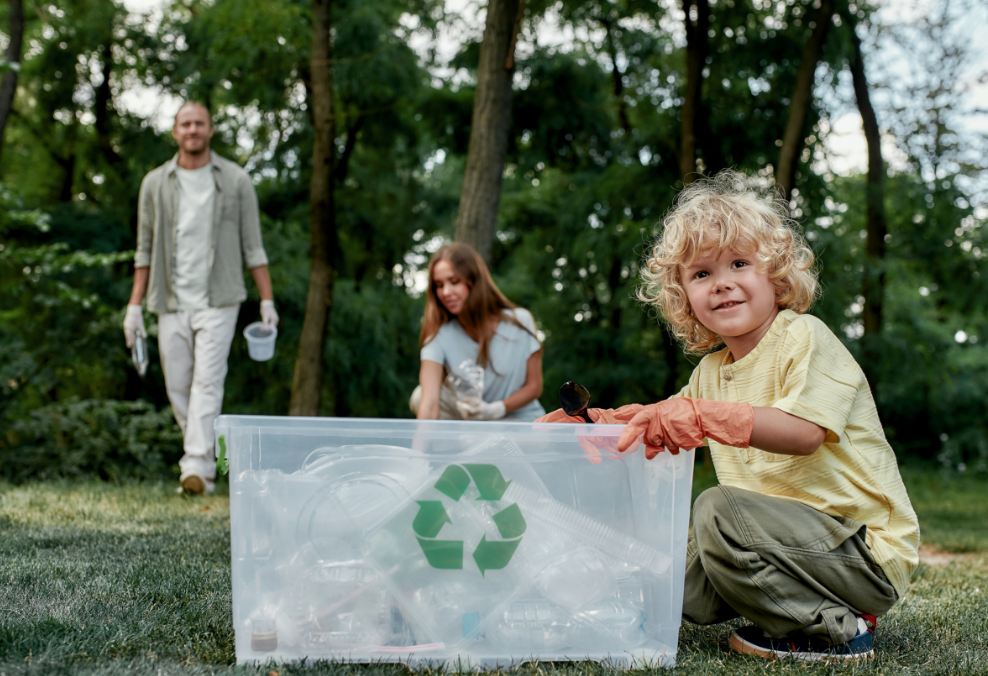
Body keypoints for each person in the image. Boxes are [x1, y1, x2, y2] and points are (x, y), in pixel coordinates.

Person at [538, 170, 919, 661]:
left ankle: (836, 628)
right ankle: (593, 610)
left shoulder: (804, 336)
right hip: (787, 547)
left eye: (739, 263)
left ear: (776, 275)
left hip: (864, 553)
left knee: (716, 511)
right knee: (674, 586)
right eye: (702, 274)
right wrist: (597, 425)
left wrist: (698, 418)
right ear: (684, 298)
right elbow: (667, 421)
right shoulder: (711, 372)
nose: (722, 284)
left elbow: (804, 433)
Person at [123, 101, 279, 495]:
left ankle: (195, 466)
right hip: (170, 301)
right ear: (175, 132)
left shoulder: (236, 180)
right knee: (179, 387)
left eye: (200, 123)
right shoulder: (154, 184)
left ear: (210, 130)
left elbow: (253, 247)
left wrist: (267, 301)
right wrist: (134, 307)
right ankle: (204, 463)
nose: (193, 129)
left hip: (220, 299)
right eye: (185, 123)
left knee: (207, 383)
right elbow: (143, 250)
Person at [411, 242, 546, 422]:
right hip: (470, 420)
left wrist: (496, 409)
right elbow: (428, 404)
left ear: (473, 280)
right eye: (439, 285)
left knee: (515, 440)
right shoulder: (439, 335)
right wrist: (417, 451)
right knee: (419, 396)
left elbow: (534, 386)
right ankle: (460, 444)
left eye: (454, 282)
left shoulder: (521, 321)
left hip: (515, 420)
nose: (445, 292)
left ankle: (474, 444)